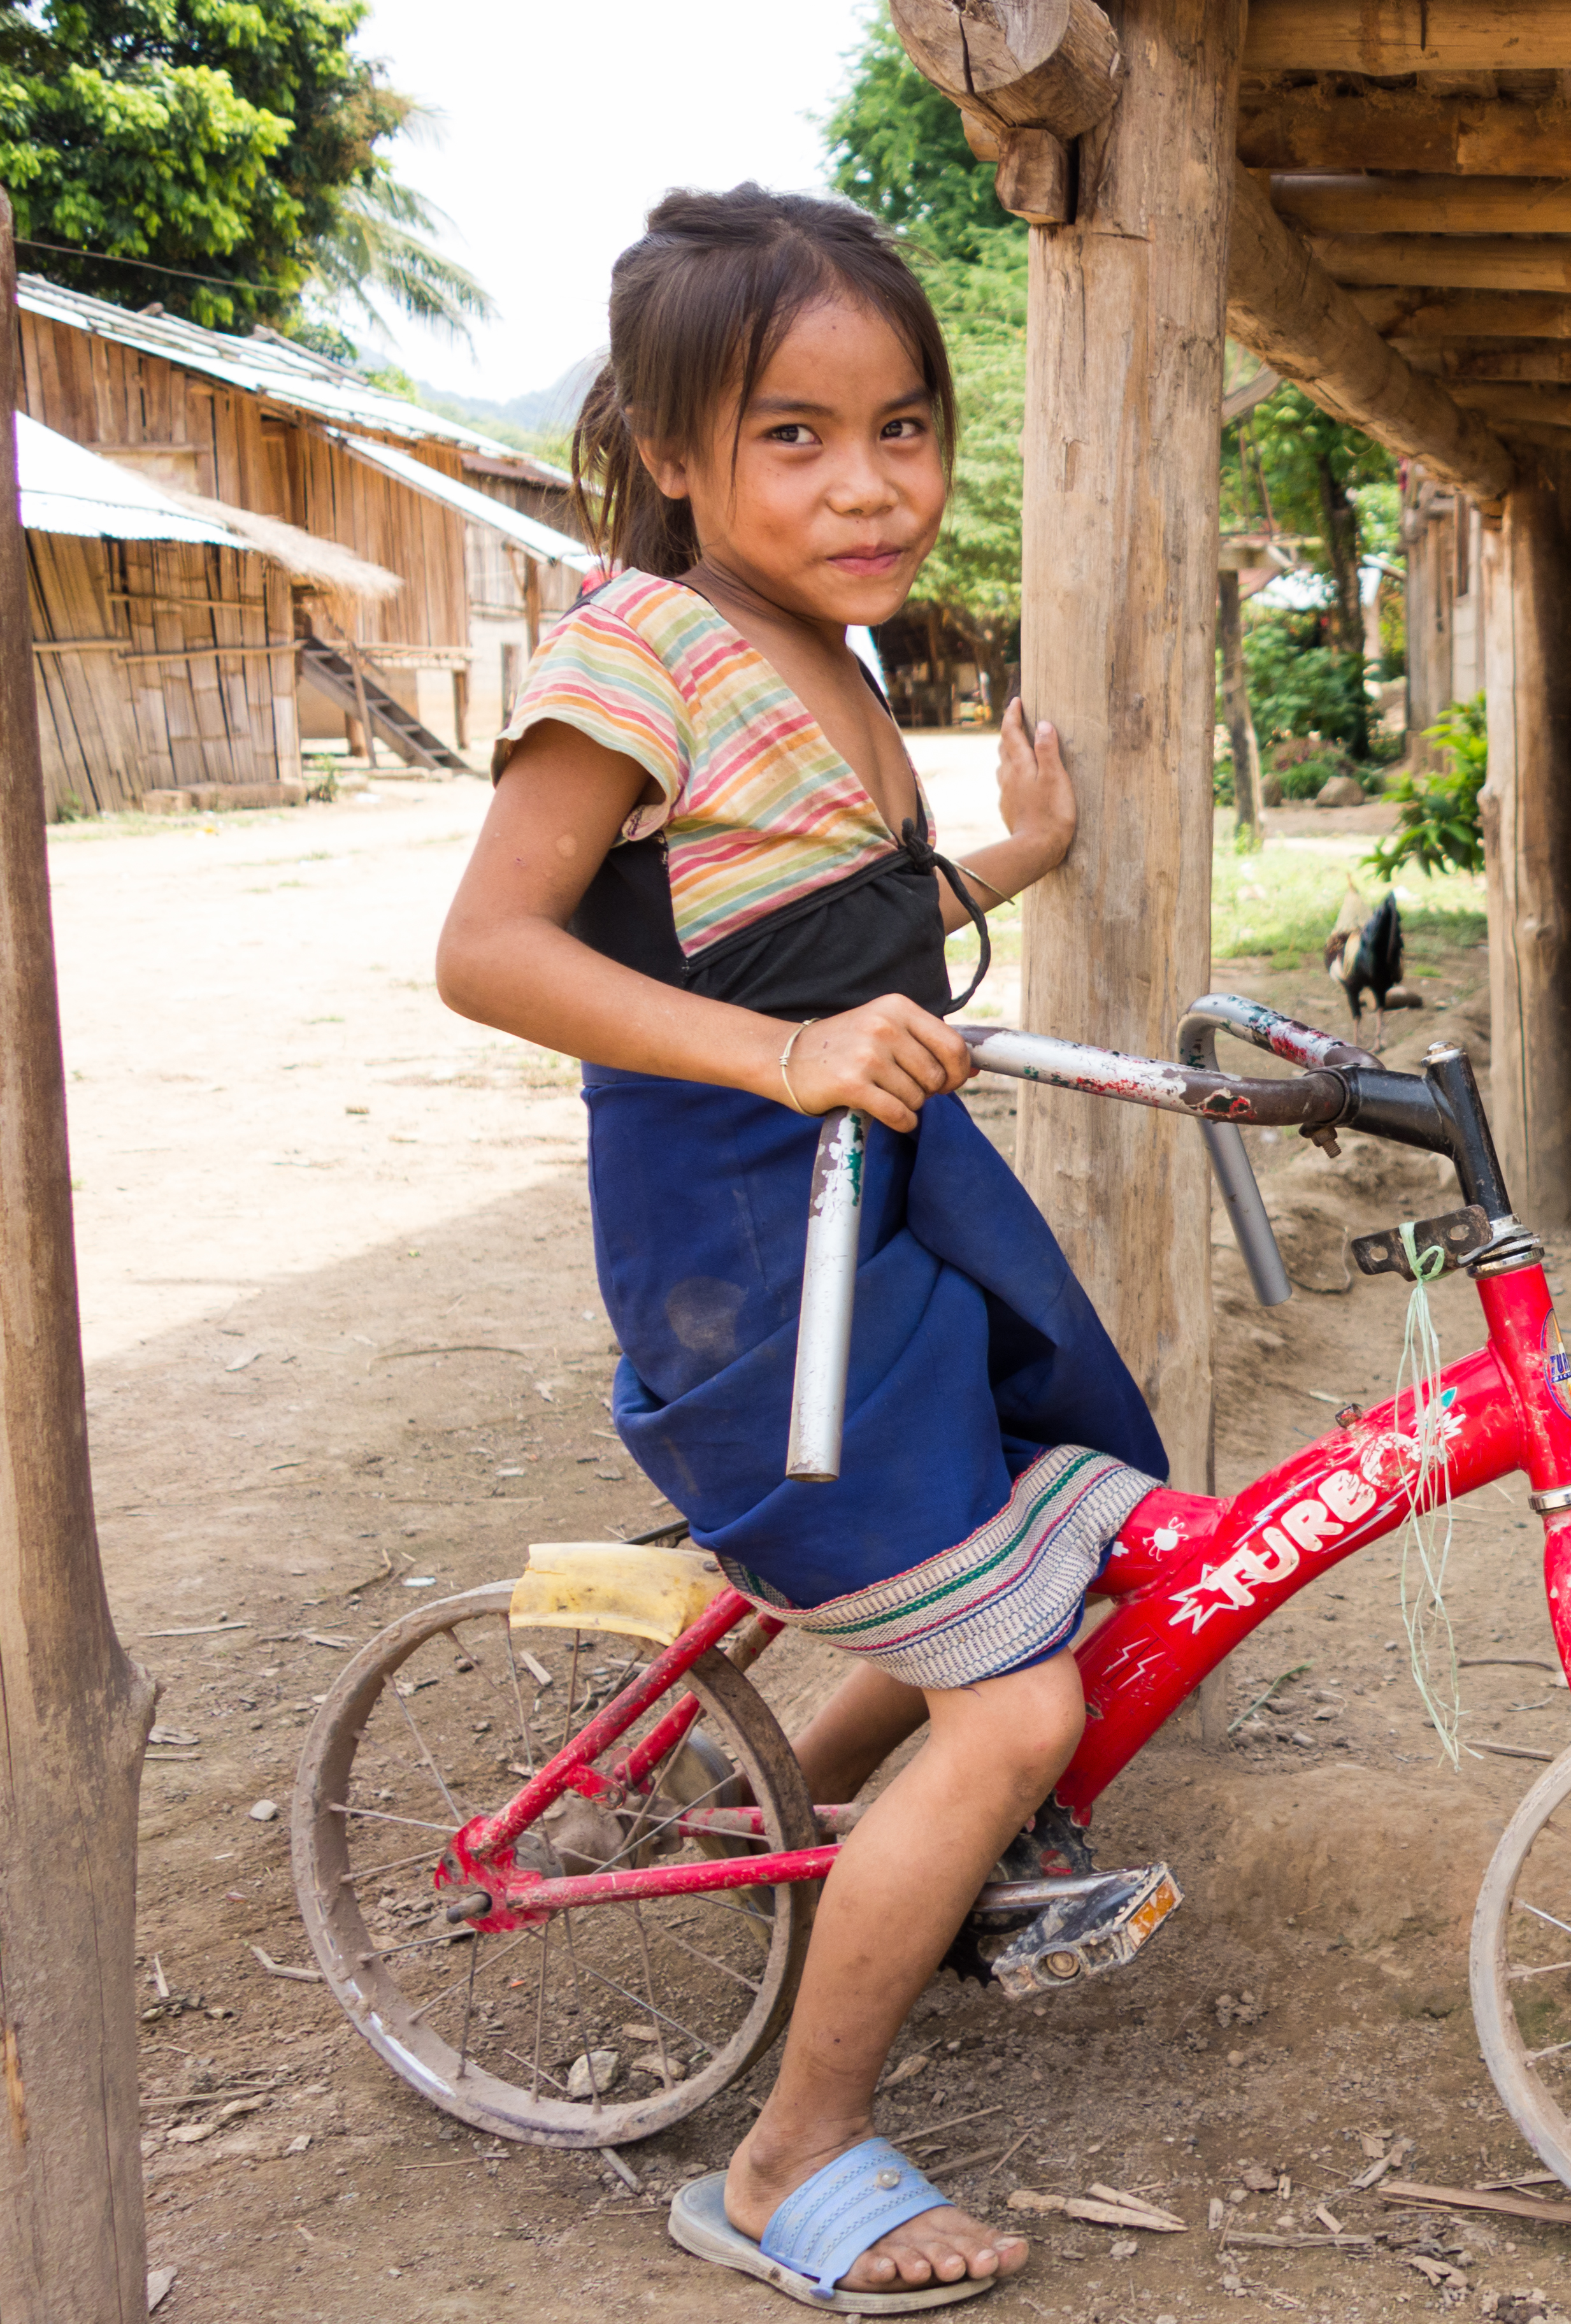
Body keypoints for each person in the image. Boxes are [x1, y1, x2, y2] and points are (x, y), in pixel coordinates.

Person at [437, 185, 1155, 2307]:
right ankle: (787, 2156)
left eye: (905, 427)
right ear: (670, 452)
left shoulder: (824, 657)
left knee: (1053, 1532)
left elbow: (832, 934)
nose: (869, 483)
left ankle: (831, 1839)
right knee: (1018, 1712)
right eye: (793, 435)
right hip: (750, 1262)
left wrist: (1006, 858)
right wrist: (782, 1053)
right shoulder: (633, 649)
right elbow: (489, 950)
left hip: (879, 1210)